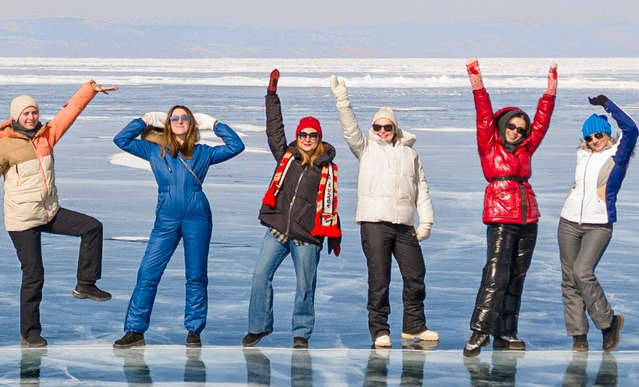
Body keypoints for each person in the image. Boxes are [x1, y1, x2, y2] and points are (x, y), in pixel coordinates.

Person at [0, 81, 116, 348]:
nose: (31, 118)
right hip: (21, 219)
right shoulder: (4, 146)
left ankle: (85, 283)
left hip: (48, 211)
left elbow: (69, 113)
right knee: (34, 274)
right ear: (15, 116)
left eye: (34, 113)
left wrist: (89, 90)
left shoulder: (46, 135)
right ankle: (30, 333)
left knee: (92, 227)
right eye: (25, 114)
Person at [112, 101, 246, 348]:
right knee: (147, 274)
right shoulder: (154, 151)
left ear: (193, 124)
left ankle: (194, 331)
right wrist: (145, 119)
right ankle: (135, 331)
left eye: (185, 118)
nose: (180, 122)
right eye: (174, 119)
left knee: (196, 276)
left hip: (198, 216)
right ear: (168, 124)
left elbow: (236, 146)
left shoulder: (204, 152)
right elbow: (121, 140)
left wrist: (216, 124)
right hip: (166, 218)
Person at [330, 74, 436, 348]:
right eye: (377, 127)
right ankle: (379, 330)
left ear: (395, 128)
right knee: (380, 278)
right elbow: (350, 130)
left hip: (403, 225)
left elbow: (421, 189)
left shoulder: (411, 155)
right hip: (374, 223)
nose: (381, 131)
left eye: (386, 127)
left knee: (415, 275)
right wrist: (343, 99)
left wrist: (426, 223)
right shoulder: (365, 149)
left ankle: (415, 325)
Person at [462, 59, 559, 355]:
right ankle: (480, 330)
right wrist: (477, 82)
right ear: (503, 127)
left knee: (517, 276)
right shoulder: (490, 146)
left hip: (528, 217)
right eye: (512, 127)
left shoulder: (527, 148)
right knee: (496, 272)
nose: (516, 131)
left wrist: (550, 92)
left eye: (521, 128)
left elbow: (542, 123)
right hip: (501, 215)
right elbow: (483, 115)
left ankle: (506, 332)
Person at [245, 69, 342, 348]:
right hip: (278, 228)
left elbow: (330, 204)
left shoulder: (327, 168)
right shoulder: (285, 157)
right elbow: (274, 129)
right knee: (260, 276)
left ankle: (301, 333)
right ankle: (259, 327)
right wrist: (271, 95)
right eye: (303, 134)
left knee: (305, 286)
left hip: (306, 236)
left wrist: (333, 233)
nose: (307, 138)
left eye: (312, 135)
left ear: (319, 138)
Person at [557, 92, 639, 351]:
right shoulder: (582, 154)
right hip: (568, 221)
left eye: (599, 135)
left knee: (583, 272)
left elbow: (631, 128)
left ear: (607, 135)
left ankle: (608, 323)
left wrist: (607, 104)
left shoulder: (617, 153)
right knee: (570, 279)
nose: (594, 141)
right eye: (589, 137)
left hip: (599, 224)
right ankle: (578, 335)